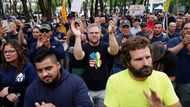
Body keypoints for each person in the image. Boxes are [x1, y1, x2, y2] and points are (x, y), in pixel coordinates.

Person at [104, 36, 181, 107]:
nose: (146, 63)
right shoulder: (114, 81)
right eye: (139, 59)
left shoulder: (162, 78)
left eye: (148, 57)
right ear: (127, 62)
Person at [24, 47, 93, 107]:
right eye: (39, 71)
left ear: (58, 65)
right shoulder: (32, 90)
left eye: (48, 68)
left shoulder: (76, 83)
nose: (44, 74)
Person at [72, 20, 119, 106]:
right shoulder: (84, 47)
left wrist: (111, 33)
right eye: (91, 33)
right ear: (88, 34)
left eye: (96, 33)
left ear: (100, 34)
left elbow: (114, 51)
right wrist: (77, 37)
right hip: (88, 88)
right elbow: (78, 56)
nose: (94, 35)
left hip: (104, 88)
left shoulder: (105, 46)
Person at [0, 40, 37, 107]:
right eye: (5, 52)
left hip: (25, 103)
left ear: (19, 52)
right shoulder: (2, 67)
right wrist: (7, 94)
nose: (7, 54)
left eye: (11, 51)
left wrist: (10, 90)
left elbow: (34, 88)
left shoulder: (28, 67)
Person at [167, 21, 190, 107]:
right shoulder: (173, 40)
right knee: (169, 103)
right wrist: (183, 43)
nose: (188, 31)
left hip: (186, 80)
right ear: (181, 30)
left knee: (184, 103)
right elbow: (169, 54)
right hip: (171, 79)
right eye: (186, 28)